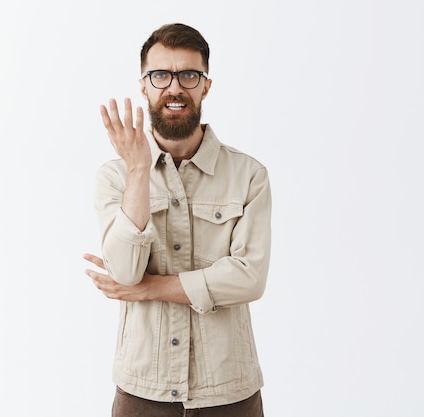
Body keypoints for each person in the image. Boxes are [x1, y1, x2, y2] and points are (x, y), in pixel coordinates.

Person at [83, 22, 271, 417]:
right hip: (142, 392)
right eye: (160, 75)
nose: (174, 87)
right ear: (144, 86)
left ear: (206, 85)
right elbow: (125, 272)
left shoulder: (248, 175)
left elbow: (249, 278)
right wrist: (138, 170)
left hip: (229, 392)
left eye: (188, 75)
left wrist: (150, 289)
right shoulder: (115, 176)